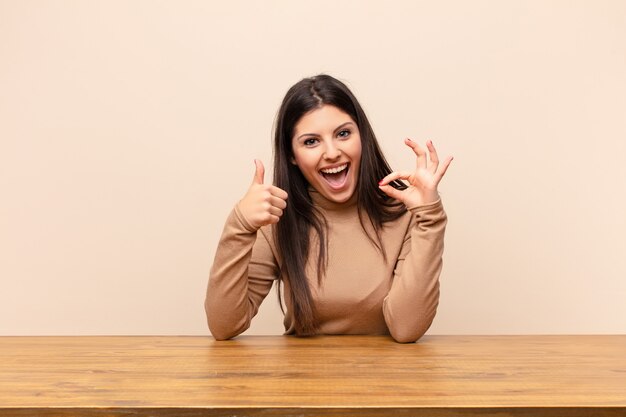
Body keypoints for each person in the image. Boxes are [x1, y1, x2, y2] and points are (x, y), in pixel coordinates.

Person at [205, 74, 452, 343]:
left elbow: (406, 329)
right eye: (311, 141)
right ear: (292, 155)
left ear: (362, 137)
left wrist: (429, 217)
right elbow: (223, 325)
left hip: (388, 381)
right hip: (303, 380)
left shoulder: (404, 213)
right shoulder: (278, 220)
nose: (332, 152)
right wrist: (239, 224)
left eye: (343, 134)